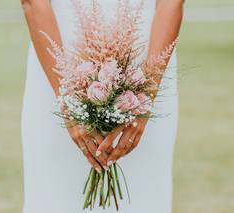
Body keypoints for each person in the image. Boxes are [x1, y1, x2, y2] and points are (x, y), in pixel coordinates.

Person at [21, 0, 183, 212]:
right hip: (58, 58)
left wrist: (144, 97)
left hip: (146, 57)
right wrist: (68, 99)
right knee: (55, 195)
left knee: (144, 196)